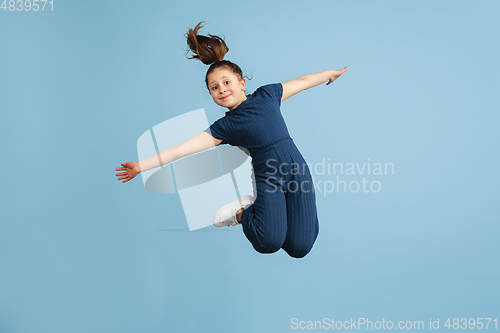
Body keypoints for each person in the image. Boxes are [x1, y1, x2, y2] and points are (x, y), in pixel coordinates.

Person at [115, 21, 347, 258]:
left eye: (226, 82)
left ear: (241, 83)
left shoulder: (267, 95)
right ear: (211, 95)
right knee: (268, 242)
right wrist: (140, 166)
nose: (222, 89)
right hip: (268, 174)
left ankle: (269, 215)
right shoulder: (225, 127)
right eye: (214, 87)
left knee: (300, 248)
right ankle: (241, 212)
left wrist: (331, 73)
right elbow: (181, 150)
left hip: (298, 169)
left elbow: (302, 82)